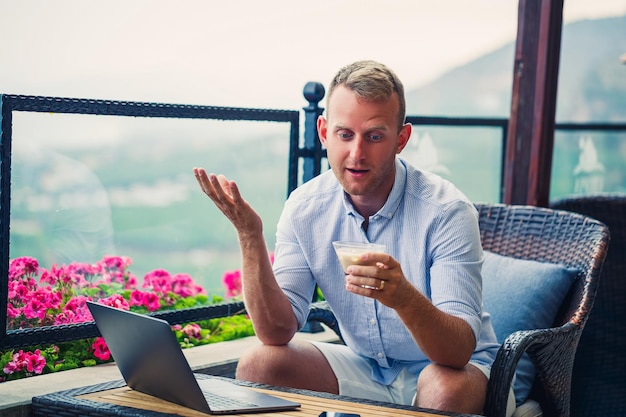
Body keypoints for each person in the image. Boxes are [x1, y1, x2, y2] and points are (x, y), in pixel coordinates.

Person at [193, 60, 514, 416]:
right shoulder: (304, 208)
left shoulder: (447, 211)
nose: (357, 153)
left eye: (375, 136)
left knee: (443, 387)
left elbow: (457, 352)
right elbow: (276, 332)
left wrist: (403, 297)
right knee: (260, 364)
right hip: (366, 366)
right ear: (323, 132)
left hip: (459, 370)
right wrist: (250, 236)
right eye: (345, 135)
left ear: (401, 139)